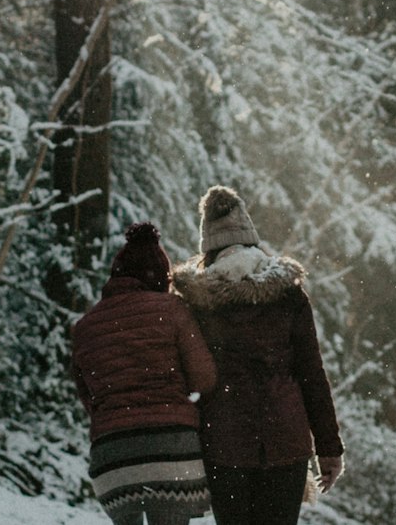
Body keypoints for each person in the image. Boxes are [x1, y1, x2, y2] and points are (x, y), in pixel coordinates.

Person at [172, 186, 345, 525]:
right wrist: (329, 448)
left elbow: (188, 374)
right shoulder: (289, 295)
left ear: (209, 246)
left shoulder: (198, 302)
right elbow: (312, 374)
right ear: (251, 239)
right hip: (286, 442)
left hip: (225, 444)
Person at [72, 221, 219, 525]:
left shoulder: (85, 327)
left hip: (113, 456)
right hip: (171, 448)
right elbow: (205, 378)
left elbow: (88, 395)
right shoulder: (173, 310)